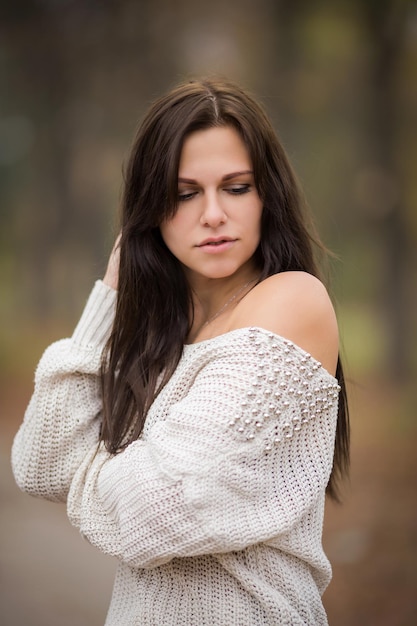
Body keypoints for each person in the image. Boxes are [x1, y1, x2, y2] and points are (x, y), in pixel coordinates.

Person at [12, 78, 349, 625]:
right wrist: (112, 294)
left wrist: (90, 469)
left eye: (236, 187)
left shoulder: (291, 302)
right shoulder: (166, 333)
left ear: (268, 196)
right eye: (185, 193)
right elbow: (39, 464)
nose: (212, 214)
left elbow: (150, 512)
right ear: (151, 209)